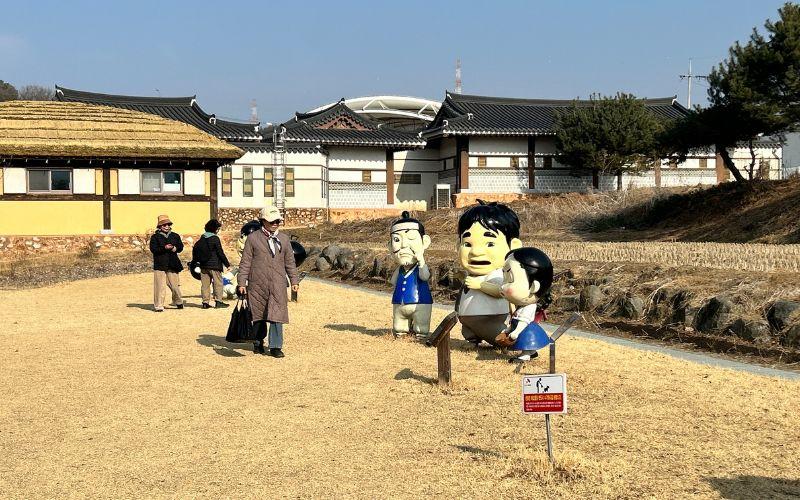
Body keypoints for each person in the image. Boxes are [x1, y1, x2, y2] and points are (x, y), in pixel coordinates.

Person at [455, 200, 522, 347]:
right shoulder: (471, 274)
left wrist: (480, 285)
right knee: (470, 330)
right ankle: (473, 338)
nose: (476, 252)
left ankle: (508, 342)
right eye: (467, 244)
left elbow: (500, 291)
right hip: (467, 318)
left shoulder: (498, 275)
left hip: (489, 317)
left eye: (490, 244)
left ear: (513, 246)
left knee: (496, 334)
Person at [237, 206, 300, 358]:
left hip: (278, 283)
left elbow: (290, 262)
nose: (275, 223)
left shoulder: (284, 239)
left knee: (277, 314)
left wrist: (294, 280)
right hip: (257, 283)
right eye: (272, 221)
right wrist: (241, 283)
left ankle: (276, 346)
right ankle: (258, 342)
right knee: (258, 315)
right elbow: (245, 262)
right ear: (263, 221)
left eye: (278, 221)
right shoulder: (253, 239)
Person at [496, 247, 554, 362]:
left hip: (526, 330)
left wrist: (515, 333)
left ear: (533, 287)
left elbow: (523, 322)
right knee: (525, 341)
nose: (502, 286)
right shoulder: (521, 306)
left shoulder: (529, 307)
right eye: (504, 279)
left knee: (526, 341)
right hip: (521, 328)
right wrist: (508, 330)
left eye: (509, 280)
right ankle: (531, 352)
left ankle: (526, 355)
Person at [389, 211, 433, 337]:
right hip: (400, 302)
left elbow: (425, 276)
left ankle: (420, 334)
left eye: (411, 238)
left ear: (424, 242)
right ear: (389, 246)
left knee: (421, 326)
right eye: (396, 240)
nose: (404, 245)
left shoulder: (420, 267)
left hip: (421, 302)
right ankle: (401, 332)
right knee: (399, 326)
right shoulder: (400, 269)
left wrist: (421, 261)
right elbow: (393, 281)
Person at [149, 214, 184, 312]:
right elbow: (153, 249)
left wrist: (173, 248)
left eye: (168, 224)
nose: (167, 226)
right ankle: (159, 305)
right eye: (164, 225)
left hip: (173, 263)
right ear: (160, 226)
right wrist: (164, 248)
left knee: (175, 286)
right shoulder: (155, 237)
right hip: (160, 264)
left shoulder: (175, 236)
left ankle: (178, 301)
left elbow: (180, 248)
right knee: (159, 286)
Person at [194, 218, 231, 309]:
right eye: (218, 228)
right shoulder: (215, 238)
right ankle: (219, 301)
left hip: (203, 265)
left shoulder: (201, 239)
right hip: (214, 265)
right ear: (215, 229)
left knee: (205, 285)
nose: (218, 230)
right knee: (218, 283)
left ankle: (205, 302)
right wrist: (227, 264)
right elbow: (220, 252)